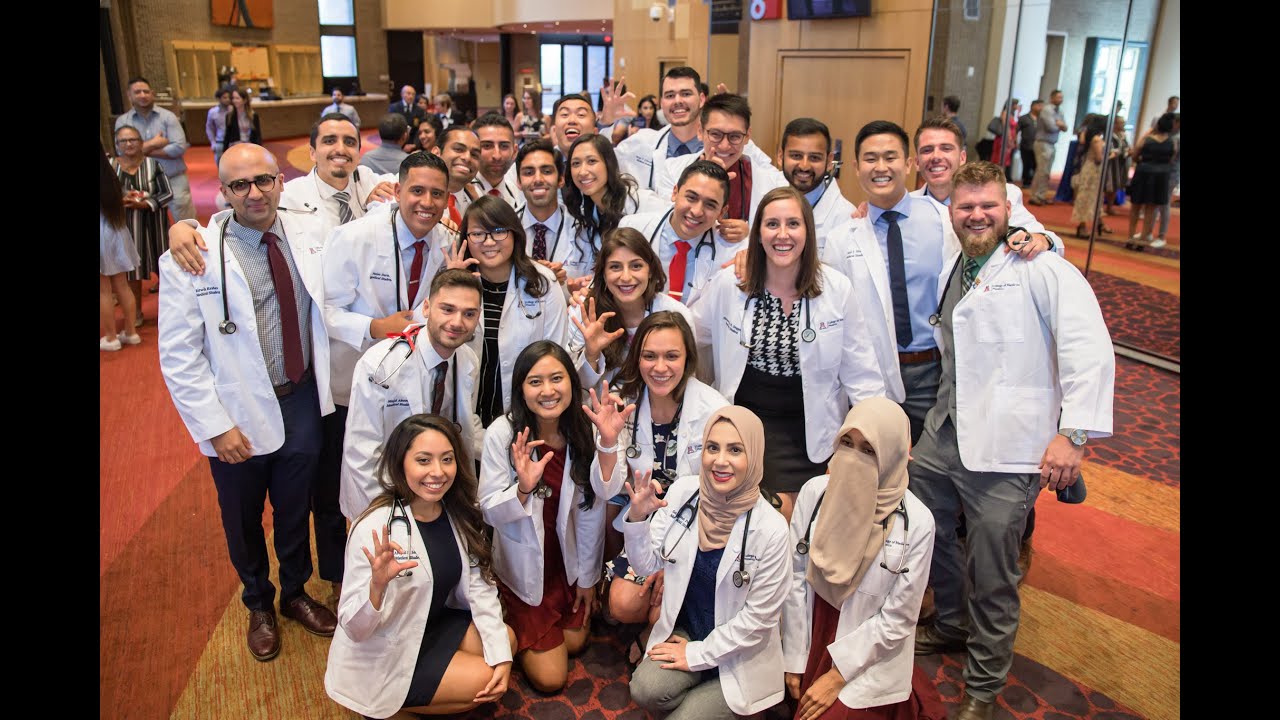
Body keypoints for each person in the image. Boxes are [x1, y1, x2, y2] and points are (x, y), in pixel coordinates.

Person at [911, 161, 1114, 720]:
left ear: (1008, 209)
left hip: (1008, 447)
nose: (976, 215)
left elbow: (1088, 351)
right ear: (950, 210)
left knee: (994, 569)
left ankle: (981, 684)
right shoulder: (957, 262)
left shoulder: (1042, 268)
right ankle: (950, 624)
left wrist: (1072, 435)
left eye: (987, 206)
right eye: (964, 205)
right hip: (943, 436)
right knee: (931, 542)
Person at [157, 143, 338, 661]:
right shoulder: (192, 255)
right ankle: (258, 601)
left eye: (264, 180)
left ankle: (295, 593)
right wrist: (215, 427)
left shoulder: (308, 232)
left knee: (293, 508)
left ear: (281, 181)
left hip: (301, 398)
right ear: (223, 192)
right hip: (235, 412)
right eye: (240, 185)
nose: (254, 193)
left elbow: (359, 199)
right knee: (241, 514)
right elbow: (179, 357)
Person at [692, 186, 886, 521]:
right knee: (765, 519)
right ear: (758, 233)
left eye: (793, 224)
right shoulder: (730, 284)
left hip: (814, 430)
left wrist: (880, 435)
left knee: (807, 524)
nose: (783, 235)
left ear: (808, 232)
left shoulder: (836, 289)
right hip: (748, 428)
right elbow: (692, 331)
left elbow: (862, 374)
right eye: (772, 225)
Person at [325, 414, 516, 719]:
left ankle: (412, 702)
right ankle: (387, 707)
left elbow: (480, 586)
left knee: (504, 641)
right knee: (483, 679)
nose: (437, 472)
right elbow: (354, 628)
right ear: (401, 463)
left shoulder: (458, 512)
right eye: (424, 460)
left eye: (447, 459)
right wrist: (376, 588)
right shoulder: (375, 527)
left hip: (431, 624)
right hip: (385, 651)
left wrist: (503, 658)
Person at [624, 406, 792, 720]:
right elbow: (646, 565)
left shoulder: (771, 529)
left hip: (741, 654)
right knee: (644, 689)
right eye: (712, 447)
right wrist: (637, 519)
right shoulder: (684, 493)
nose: (720, 460)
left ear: (754, 455)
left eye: (736, 450)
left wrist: (697, 656)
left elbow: (757, 622)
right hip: (690, 632)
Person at [782, 398, 943, 720]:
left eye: (869, 450)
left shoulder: (918, 522)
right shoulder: (815, 493)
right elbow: (795, 579)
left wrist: (838, 675)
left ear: (894, 454)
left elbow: (898, 618)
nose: (854, 458)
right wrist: (795, 659)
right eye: (847, 443)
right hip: (810, 627)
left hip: (867, 645)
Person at [587, 312, 728, 636]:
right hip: (643, 520)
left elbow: (718, 496)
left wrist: (673, 561)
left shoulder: (713, 409)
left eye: (671, 356)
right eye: (650, 356)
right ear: (638, 359)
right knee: (623, 605)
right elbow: (607, 489)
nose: (660, 367)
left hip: (697, 528)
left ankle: (670, 620)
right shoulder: (623, 402)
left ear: (688, 358)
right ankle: (663, 616)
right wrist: (607, 442)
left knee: (663, 606)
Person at [478, 340, 607, 692]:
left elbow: (591, 510)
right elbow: (489, 510)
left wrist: (587, 578)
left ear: (572, 382)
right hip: (522, 569)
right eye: (535, 382)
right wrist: (522, 489)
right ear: (520, 388)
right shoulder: (502, 434)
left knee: (577, 642)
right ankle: (510, 616)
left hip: (564, 562)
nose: (548, 391)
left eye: (557, 379)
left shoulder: (585, 430)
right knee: (552, 680)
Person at [341, 269, 488, 520]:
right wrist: (392, 512)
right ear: (427, 308)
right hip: (383, 490)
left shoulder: (467, 360)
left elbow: (463, 426)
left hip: (438, 487)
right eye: (447, 309)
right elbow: (361, 452)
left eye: (469, 314)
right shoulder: (380, 364)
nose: (457, 322)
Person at [445, 195, 568, 428]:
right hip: (463, 413)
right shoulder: (453, 284)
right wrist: (450, 284)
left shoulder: (544, 284)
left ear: (515, 234)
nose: (489, 242)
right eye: (478, 234)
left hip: (523, 415)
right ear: (466, 239)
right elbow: (428, 338)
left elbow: (556, 353)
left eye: (499, 231)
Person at [567, 228, 694, 390]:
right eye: (615, 267)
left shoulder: (677, 314)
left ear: (650, 270)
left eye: (636, 266)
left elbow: (685, 380)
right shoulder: (583, 312)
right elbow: (575, 386)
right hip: (599, 409)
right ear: (603, 274)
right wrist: (592, 354)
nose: (626, 277)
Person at [663, 93, 789, 243]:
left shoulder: (772, 183)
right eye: (715, 134)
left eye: (735, 136)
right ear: (700, 132)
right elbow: (666, 223)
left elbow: (782, 233)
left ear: (747, 136)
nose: (724, 145)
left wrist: (752, 235)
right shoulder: (670, 170)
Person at [619, 159, 736, 307]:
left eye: (710, 205)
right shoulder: (632, 227)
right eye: (691, 198)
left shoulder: (731, 250)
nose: (696, 211)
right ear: (675, 193)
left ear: (722, 212)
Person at [563, 134, 666, 284]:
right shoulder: (587, 215)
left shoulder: (645, 203)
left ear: (608, 164)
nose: (583, 171)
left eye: (592, 161)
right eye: (576, 164)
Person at [112, 125, 173, 325]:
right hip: (122, 228)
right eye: (124, 141)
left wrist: (145, 203)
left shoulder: (153, 164)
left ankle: (171, 314)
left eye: (133, 140)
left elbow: (167, 193)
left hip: (154, 227)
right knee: (131, 273)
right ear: (117, 144)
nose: (129, 144)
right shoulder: (111, 166)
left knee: (165, 269)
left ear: (141, 143)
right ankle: (135, 313)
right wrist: (119, 201)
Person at [115, 76, 195, 221]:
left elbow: (178, 148)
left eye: (146, 91)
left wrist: (140, 150)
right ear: (129, 95)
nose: (143, 95)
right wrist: (155, 143)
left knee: (186, 222)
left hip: (173, 177)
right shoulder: (123, 121)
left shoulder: (168, 117)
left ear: (152, 93)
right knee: (150, 225)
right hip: (141, 184)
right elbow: (123, 152)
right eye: (137, 92)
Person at [777, 118, 855, 257]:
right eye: (796, 156)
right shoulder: (767, 201)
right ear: (780, 157)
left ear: (830, 161)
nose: (804, 166)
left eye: (814, 158)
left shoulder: (846, 217)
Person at [100, 144, 142, 351]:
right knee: (122, 285)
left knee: (103, 290)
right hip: (116, 231)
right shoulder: (110, 173)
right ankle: (131, 332)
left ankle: (110, 337)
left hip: (101, 234)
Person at [1125, 113, 1178, 250]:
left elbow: (1135, 155)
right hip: (1161, 176)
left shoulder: (1147, 139)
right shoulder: (1172, 142)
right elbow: (1171, 159)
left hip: (1143, 173)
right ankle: (1143, 238)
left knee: (1136, 206)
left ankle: (1130, 236)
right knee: (1151, 208)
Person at [1070, 118, 1114, 238]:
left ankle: (1098, 223)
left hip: (1090, 169)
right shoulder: (1097, 139)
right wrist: (1111, 156)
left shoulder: (1090, 136)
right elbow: (1099, 159)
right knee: (1088, 198)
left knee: (1094, 197)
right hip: (1093, 171)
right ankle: (1083, 226)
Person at [469, 113, 522, 210]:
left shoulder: (520, 194)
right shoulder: (459, 193)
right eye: (487, 146)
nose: (497, 156)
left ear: (514, 152)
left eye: (504, 146)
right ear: (473, 151)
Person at [1028, 90, 1068, 205]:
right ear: (1052, 98)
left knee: (1046, 172)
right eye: (1058, 97)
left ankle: (1041, 194)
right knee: (1042, 171)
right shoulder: (1047, 110)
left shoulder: (1059, 111)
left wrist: (1061, 124)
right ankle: (1035, 196)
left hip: (1052, 143)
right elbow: (1051, 127)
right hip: (1043, 143)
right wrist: (1059, 124)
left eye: (1062, 97)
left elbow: (1065, 127)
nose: (1061, 100)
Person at [988, 99, 1020, 180]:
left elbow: (1015, 128)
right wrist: (1009, 139)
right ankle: (995, 178)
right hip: (1003, 139)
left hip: (1010, 139)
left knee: (1006, 160)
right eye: (1016, 104)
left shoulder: (1013, 114)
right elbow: (1006, 127)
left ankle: (1001, 177)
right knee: (1000, 158)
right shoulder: (1005, 113)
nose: (1017, 106)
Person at [1016, 100, 1042, 188]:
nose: (1041, 108)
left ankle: (1034, 182)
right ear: (1033, 106)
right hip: (1026, 145)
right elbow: (1016, 130)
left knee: (1036, 165)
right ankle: (1026, 182)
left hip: (1038, 145)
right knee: (1026, 164)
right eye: (1039, 105)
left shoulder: (1041, 119)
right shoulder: (1024, 118)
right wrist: (1015, 141)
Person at [206, 88, 232, 168]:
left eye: (229, 97)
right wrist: (213, 142)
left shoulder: (233, 110)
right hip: (220, 141)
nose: (227, 100)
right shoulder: (213, 112)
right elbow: (209, 128)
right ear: (219, 99)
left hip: (232, 141)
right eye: (224, 97)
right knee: (221, 165)